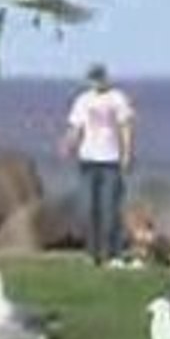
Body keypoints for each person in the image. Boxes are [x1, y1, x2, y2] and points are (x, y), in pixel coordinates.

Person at [61, 63, 136, 267]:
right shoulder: (83, 100)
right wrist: (68, 144)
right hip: (88, 161)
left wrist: (127, 154)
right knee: (88, 209)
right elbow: (76, 126)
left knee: (110, 209)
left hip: (110, 161)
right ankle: (92, 254)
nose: (97, 82)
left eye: (99, 77)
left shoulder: (117, 98)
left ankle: (113, 254)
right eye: (93, 78)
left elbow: (126, 127)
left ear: (106, 78)